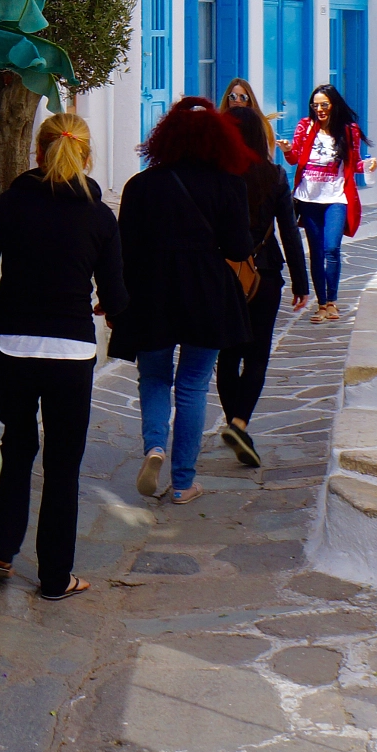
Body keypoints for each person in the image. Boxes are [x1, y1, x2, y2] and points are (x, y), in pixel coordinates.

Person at [0, 113, 127, 602]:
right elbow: (116, 294)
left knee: (16, 450)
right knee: (63, 465)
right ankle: (55, 578)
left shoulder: (13, 203)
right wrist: (110, 309)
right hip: (72, 353)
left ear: (38, 152)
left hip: (12, 347)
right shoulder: (99, 214)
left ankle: (2, 553)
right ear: (86, 156)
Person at [111, 97, 256, 504]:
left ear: (164, 138)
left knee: (154, 377)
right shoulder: (229, 184)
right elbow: (239, 245)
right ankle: (183, 481)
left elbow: (125, 249)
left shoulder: (141, 186)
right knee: (192, 385)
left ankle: (154, 446)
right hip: (206, 292)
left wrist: (115, 302)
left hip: (150, 291)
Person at [214, 105, 310, 468]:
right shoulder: (274, 175)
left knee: (227, 354)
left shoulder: (216, 174)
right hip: (265, 273)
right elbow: (288, 231)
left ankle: (232, 422)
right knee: (257, 354)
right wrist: (302, 283)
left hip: (224, 275)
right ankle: (240, 423)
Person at [281, 85, 377, 321]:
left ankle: (332, 301)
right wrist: (287, 150)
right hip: (309, 197)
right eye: (316, 105)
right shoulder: (306, 126)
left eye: (324, 104)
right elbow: (295, 159)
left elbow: (352, 164)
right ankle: (321, 304)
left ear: (333, 104)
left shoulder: (349, 130)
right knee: (315, 252)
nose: (320, 109)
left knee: (331, 248)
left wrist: (367, 166)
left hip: (336, 196)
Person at [220, 77, 278, 156]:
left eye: (242, 97)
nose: (237, 100)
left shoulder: (263, 126)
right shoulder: (219, 124)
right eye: (233, 96)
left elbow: (268, 156)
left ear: (249, 101)